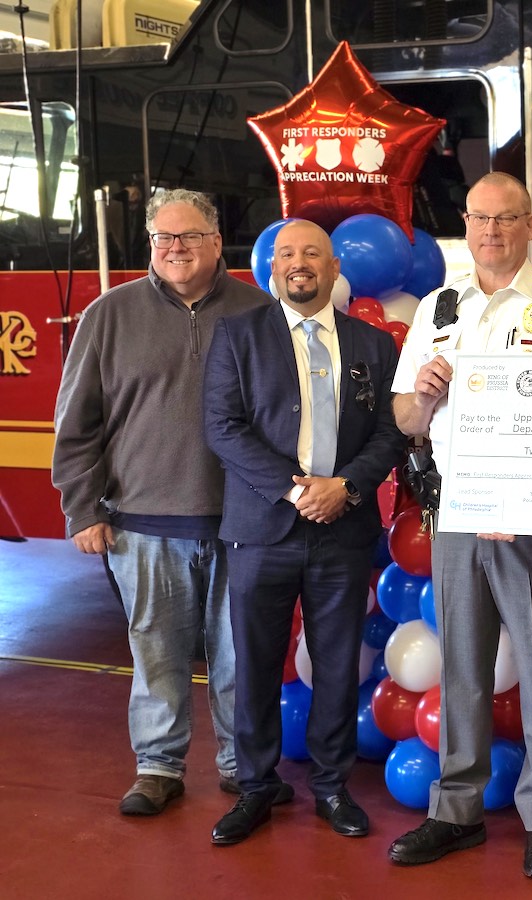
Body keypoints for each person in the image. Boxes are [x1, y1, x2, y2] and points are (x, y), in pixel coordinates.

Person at [387, 172, 532, 879]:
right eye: (480, 218)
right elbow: (404, 420)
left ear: (528, 226)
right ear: (466, 221)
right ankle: (455, 811)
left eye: (507, 218)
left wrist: (531, 484)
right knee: (462, 661)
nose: (492, 231)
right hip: (458, 506)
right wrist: (422, 397)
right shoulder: (437, 309)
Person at [51, 189, 269, 816]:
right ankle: (158, 767)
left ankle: (240, 766)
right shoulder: (107, 315)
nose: (176, 248)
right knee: (156, 653)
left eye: (190, 236)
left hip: (244, 522)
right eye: (163, 237)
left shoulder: (258, 311)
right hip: (142, 522)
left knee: (239, 657)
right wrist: (83, 509)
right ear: (151, 244)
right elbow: (76, 424)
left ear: (216, 239)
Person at [203, 219, 405, 845]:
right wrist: (296, 488)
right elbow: (222, 426)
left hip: (342, 529)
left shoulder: (372, 345)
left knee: (337, 664)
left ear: (334, 266)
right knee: (255, 664)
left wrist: (343, 487)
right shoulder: (237, 335)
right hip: (262, 530)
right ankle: (256, 787)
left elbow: (390, 435)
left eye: (312, 253)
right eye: (288, 253)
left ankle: (331, 786)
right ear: (273, 267)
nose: (300, 263)